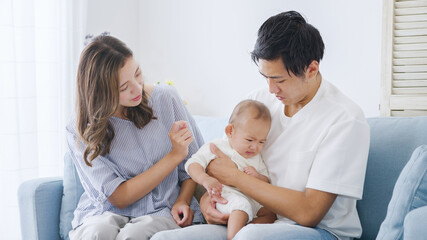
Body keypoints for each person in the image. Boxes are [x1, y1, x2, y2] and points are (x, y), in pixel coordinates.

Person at [152, 10, 370, 240]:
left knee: (251, 237)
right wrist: (208, 202)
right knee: (164, 238)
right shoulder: (258, 104)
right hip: (249, 216)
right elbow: (218, 162)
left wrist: (236, 178)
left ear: (311, 69)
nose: (270, 89)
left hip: (316, 231)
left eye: (279, 80)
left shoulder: (345, 119)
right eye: (265, 77)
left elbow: (309, 212)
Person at [66, 35, 204, 240]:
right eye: (123, 88)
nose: (137, 88)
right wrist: (173, 156)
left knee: (134, 235)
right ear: (101, 93)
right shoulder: (79, 128)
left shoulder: (166, 98)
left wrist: (182, 200)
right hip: (106, 211)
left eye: (137, 73)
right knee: (97, 233)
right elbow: (119, 197)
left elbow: (195, 162)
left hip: (162, 207)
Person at [185, 99, 276, 239]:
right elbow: (193, 164)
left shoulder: (257, 157)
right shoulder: (217, 146)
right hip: (226, 195)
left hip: (252, 198)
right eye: (250, 140)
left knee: (270, 213)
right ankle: (233, 236)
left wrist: (257, 176)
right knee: (241, 206)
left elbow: (266, 180)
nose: (255, 147)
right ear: (230, 131)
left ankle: (244, 230)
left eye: (261, 142)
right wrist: (205, 179)